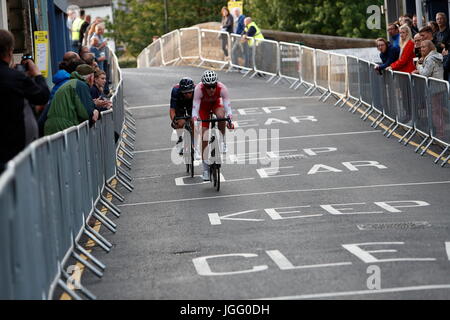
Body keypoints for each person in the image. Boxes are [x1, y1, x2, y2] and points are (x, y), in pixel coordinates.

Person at [0, 29, 50, 173]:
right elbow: (42, 96)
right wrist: (38, 75)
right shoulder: (14, 78)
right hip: (13, 150)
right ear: (10, 52)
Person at [192, 71, 234, 181]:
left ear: (217, 84)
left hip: (216, 104)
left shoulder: (222, 88)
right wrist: (195, 120)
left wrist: (229, 120)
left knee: (221, 116)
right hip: (203, 108)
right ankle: (205, 170)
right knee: (204, 134)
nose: (211, 89)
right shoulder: (198, 89)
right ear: (204, 86)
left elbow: (228, 106)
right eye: (208, 87)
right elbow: (195, 108)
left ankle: (223, 141)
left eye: (213, 86)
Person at [44, 64, 99, 135]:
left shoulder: (70, 83)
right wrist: (95, 111)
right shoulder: (80, 85)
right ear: (91, 77)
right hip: (64, 127)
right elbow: (86, 113)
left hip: (53, 127)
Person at [170, 77, 200, 158]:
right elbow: (172, 109)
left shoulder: (197, 90)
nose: (187, 95)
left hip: (192, 105)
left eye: (189, 92)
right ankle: (180, 139)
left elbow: (200, 107)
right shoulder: (175, 91)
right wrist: (174, 120)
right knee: (180, 123)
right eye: (185, 93)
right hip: (180, 104)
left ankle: (195, 147)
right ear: (181, 91)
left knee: (194, 123)